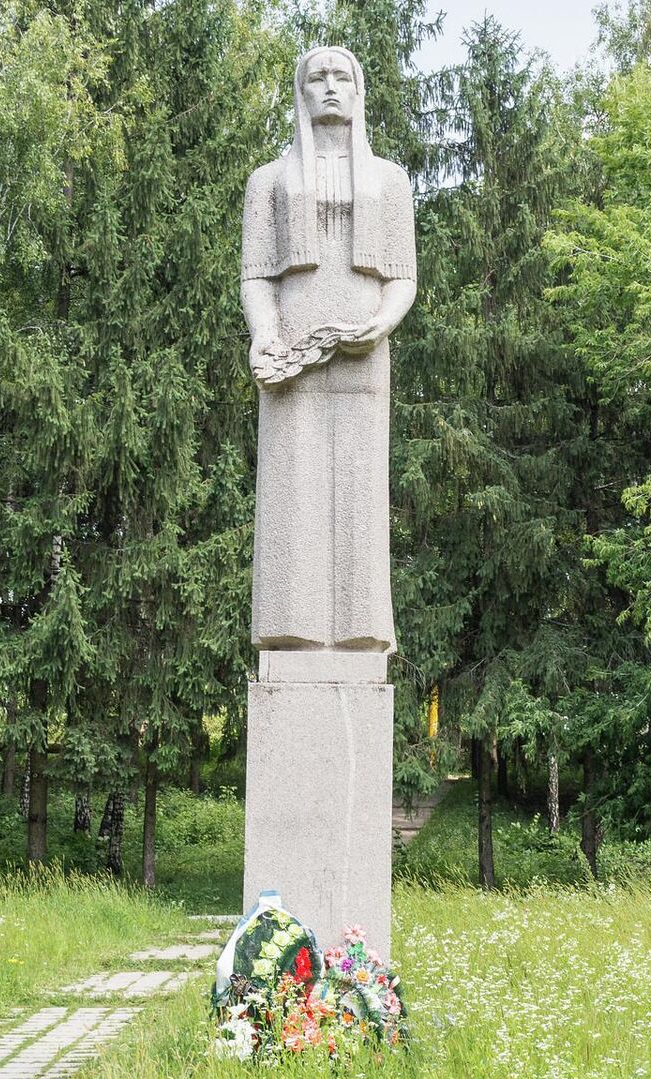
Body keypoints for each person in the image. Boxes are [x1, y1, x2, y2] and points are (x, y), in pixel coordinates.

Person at [241, 46, 416, 654]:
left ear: (359, 91)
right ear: (301, 92)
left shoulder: (390, 181)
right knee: (294, 487)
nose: (331, 87)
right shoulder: (268, 182)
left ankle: (360, 630)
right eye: (318, 78)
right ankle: (292, 628)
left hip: (363, 351)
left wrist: (383, 322)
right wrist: (266, 333)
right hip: (291, 351)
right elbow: (258, 274)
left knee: (359, 489)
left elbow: (402, 275)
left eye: (342, 77)